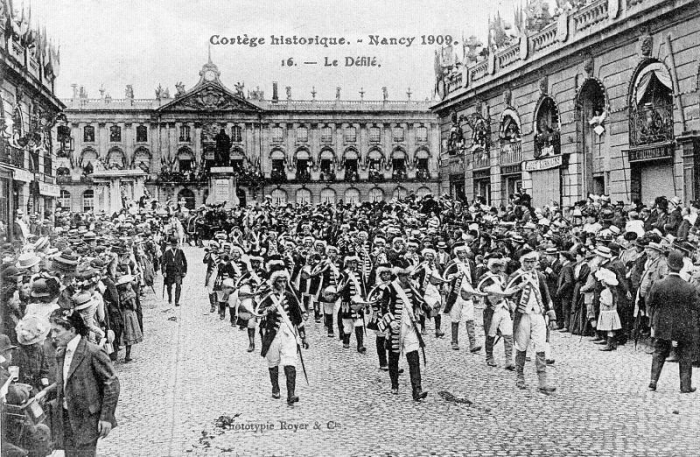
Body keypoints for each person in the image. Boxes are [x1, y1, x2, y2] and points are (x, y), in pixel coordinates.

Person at [36, 309, 120, 457]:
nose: (53, 336)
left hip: (86, 418)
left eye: (57, 331)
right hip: (67, 417)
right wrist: (47, 391)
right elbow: (66, 381)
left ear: (72, 330)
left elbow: (111, 384)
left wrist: (106, 417)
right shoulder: (61, 352)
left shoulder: (92, 351)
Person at [647, 250, 699, 393]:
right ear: (681, 266)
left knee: (659, 352)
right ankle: (685, 385)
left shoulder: (658, 284)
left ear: (668, 266)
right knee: (685, 354)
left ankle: (653, 381)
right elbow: (696, 306)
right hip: (683, 326)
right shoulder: (689, 287)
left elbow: (650, 302)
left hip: (662, 324)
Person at [508, 247, 557, 395]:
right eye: (527, 262)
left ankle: (542, 382)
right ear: (522, 262)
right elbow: (508, 294)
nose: (530, 265)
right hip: (523, 315)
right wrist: (512, 303)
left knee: (541, 346)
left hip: (538, 315)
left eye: (532, 262)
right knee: (522, 346)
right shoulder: (515, 276)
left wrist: (552, 315)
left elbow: (546, 296)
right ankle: (520, 376)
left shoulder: (540, 276)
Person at [379, 260, 428, 401]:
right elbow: (384, 308)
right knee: (393, 358)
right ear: (399, 275)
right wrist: (391, 321)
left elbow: (419, 301)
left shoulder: (412, 287)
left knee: (414, 358)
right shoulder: (390, 289)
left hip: (410, 327)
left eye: (409, 276)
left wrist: (429, 309)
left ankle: (417, 390)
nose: (408, 278)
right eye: (405, 276)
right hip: (396, 328)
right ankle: (394, 383)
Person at [258, 268, 308, 406]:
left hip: (288, 332)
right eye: (279, 281)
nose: (282, 284)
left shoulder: (290, 297)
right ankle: (275, 387)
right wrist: (268, 310)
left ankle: (291, 394)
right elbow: (258, 311)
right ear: (274, 283)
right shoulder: (267, 297)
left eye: (284, 281)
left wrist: (303, 336)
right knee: (273, 362)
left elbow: (298, 318)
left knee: (290, 361)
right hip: (272, 333)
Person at [161, 236, 187, 306]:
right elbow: (163, 263)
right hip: (169, 272)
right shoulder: (167, 252)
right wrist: (163, 272)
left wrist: (184, 271)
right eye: (173, 245)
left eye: (175, 245)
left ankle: (177, 301)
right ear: (170, 245)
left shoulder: (180, 252)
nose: (174, 246)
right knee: (169, 286)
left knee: (178, 285)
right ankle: (170, 298)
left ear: (177, 244)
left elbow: (185, 262)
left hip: (178, 271)